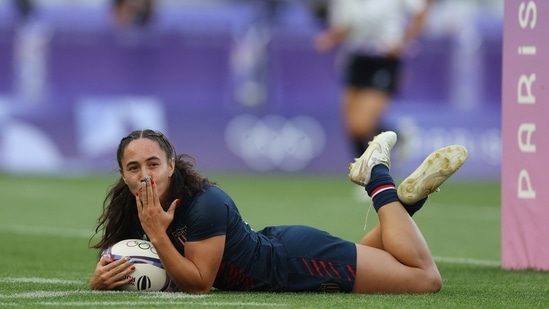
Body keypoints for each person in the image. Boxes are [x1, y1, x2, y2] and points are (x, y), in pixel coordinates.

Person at [89, 129, 467, 294]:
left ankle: (377, 176)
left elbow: (199, 284)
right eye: (133, 169)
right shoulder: (134, 203)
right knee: (384, 258)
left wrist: (156, 233)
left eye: (152, 164)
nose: (145, 176)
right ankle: (406, 203)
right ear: (122, 174)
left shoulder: (205, 204)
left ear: (171, 164)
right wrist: (101, 279)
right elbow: (126, 258)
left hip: (297, 263)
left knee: (424, 279)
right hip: (287, 252)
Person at [314, 0, 430, 159]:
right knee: (351, 127)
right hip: (356, 58)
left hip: (383, 59)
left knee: (362, 125)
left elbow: (420, 11)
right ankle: (365, 174)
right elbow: (345, 27)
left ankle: (397, 136)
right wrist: (330, 38)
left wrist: (405, 40)